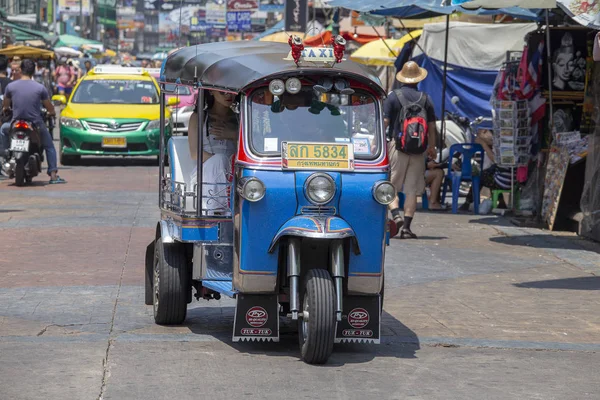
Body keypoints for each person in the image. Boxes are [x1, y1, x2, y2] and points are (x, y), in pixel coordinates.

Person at [384, 61, 437, 239]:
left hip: (397, 148)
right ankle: (406, 227)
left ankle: (395, 215)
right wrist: (432, 148)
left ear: (402, 78)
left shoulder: (393, 97)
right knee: (412, 190)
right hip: (419, 150)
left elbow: (385, 123)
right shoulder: (425, 98)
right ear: (418, 79)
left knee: (391, 186)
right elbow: (431, 127)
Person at [1, 59, 65, 184]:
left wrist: (6, 109)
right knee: (49, 146)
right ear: (34, 71)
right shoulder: (40, 88)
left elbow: (6, 105)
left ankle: (6, 155)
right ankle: (53, 175)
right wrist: (51, 113)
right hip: (35, 124)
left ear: (20, 70)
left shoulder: (11, 86)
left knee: (3, 130)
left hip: (15, 123)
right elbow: (49, 107)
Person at [187, 91, 238, 214]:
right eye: (222, 92)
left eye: (231, 92)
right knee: (219, 160)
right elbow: (195, 153)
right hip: (205, 174)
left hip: (234, 171)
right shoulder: (198, 117)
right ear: (211, 91)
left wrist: (233, 135)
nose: (228, 96)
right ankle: (219, 210)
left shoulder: (239, 118)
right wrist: (222, 161)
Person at [459, 131, 514, 211]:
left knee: (479, 176)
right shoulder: (508, 144)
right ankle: (501, 202)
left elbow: (495, 159)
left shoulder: (504, 147)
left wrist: (484, 145)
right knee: (489, 174)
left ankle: (468, 202)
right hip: (512, 180)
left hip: (504, 180)